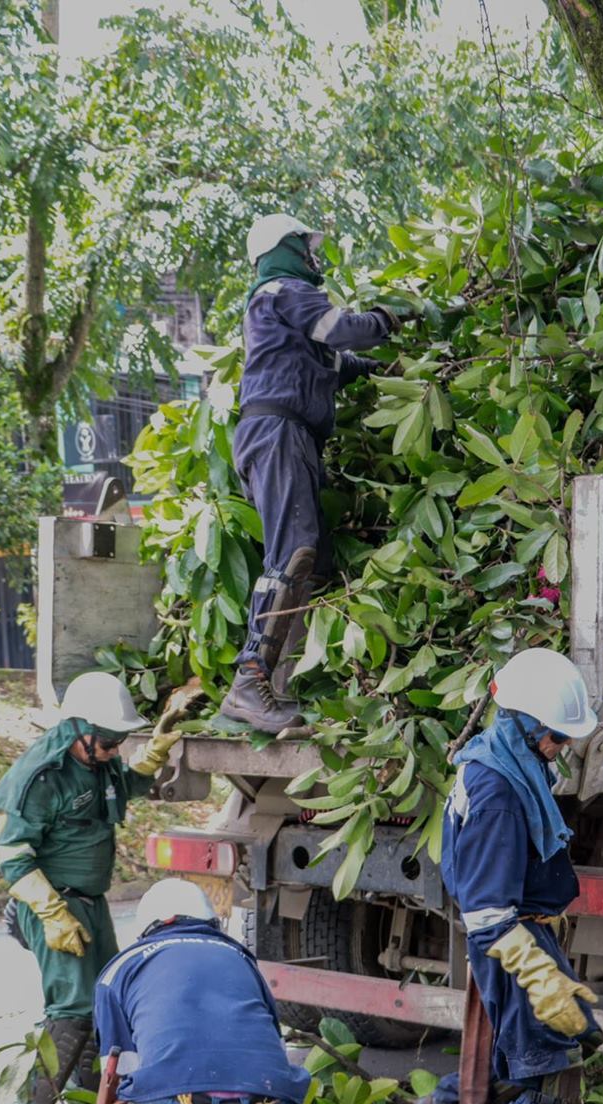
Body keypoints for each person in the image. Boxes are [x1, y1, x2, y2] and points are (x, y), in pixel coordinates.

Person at [414, 648, 603, 1104]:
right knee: (550, 1063)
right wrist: (540, 978)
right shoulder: (497, 791)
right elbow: (488, 912)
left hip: (525, 933)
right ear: (524, 723)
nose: (563, 747)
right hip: (510, 940)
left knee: (567, 1038)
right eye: (557, 736)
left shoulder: (506, 762)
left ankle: (449, 1103)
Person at [220, 213, 411, 734]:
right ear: (285, 248)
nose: (313, 257)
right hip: (278, 434)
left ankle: (278, 685)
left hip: (290, 437)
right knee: (293, 553)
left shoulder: (282, 313)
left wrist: (388, 372)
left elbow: (335, 361)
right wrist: (387, 318)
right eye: (307, 246)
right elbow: (340, 328)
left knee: (313, 563)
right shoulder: (279, 291)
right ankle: (249, 683)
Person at [0, 672, 192, 1104]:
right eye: (107, 741)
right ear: (80, 729)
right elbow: (12, 854)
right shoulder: (44, 775)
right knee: (73, 1008)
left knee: (104, 1001)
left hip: (90, 903)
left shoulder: (96, 762)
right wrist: (51, 913)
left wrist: (156, 748)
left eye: (119, 741)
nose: (113, 750)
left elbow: (125, 786)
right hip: (55, 904)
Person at [54, 879, 309, 1104]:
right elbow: (272, 1049)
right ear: (211, 922)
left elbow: (117, 1078)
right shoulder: (242, 959)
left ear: (147, 928)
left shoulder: (121, 967)